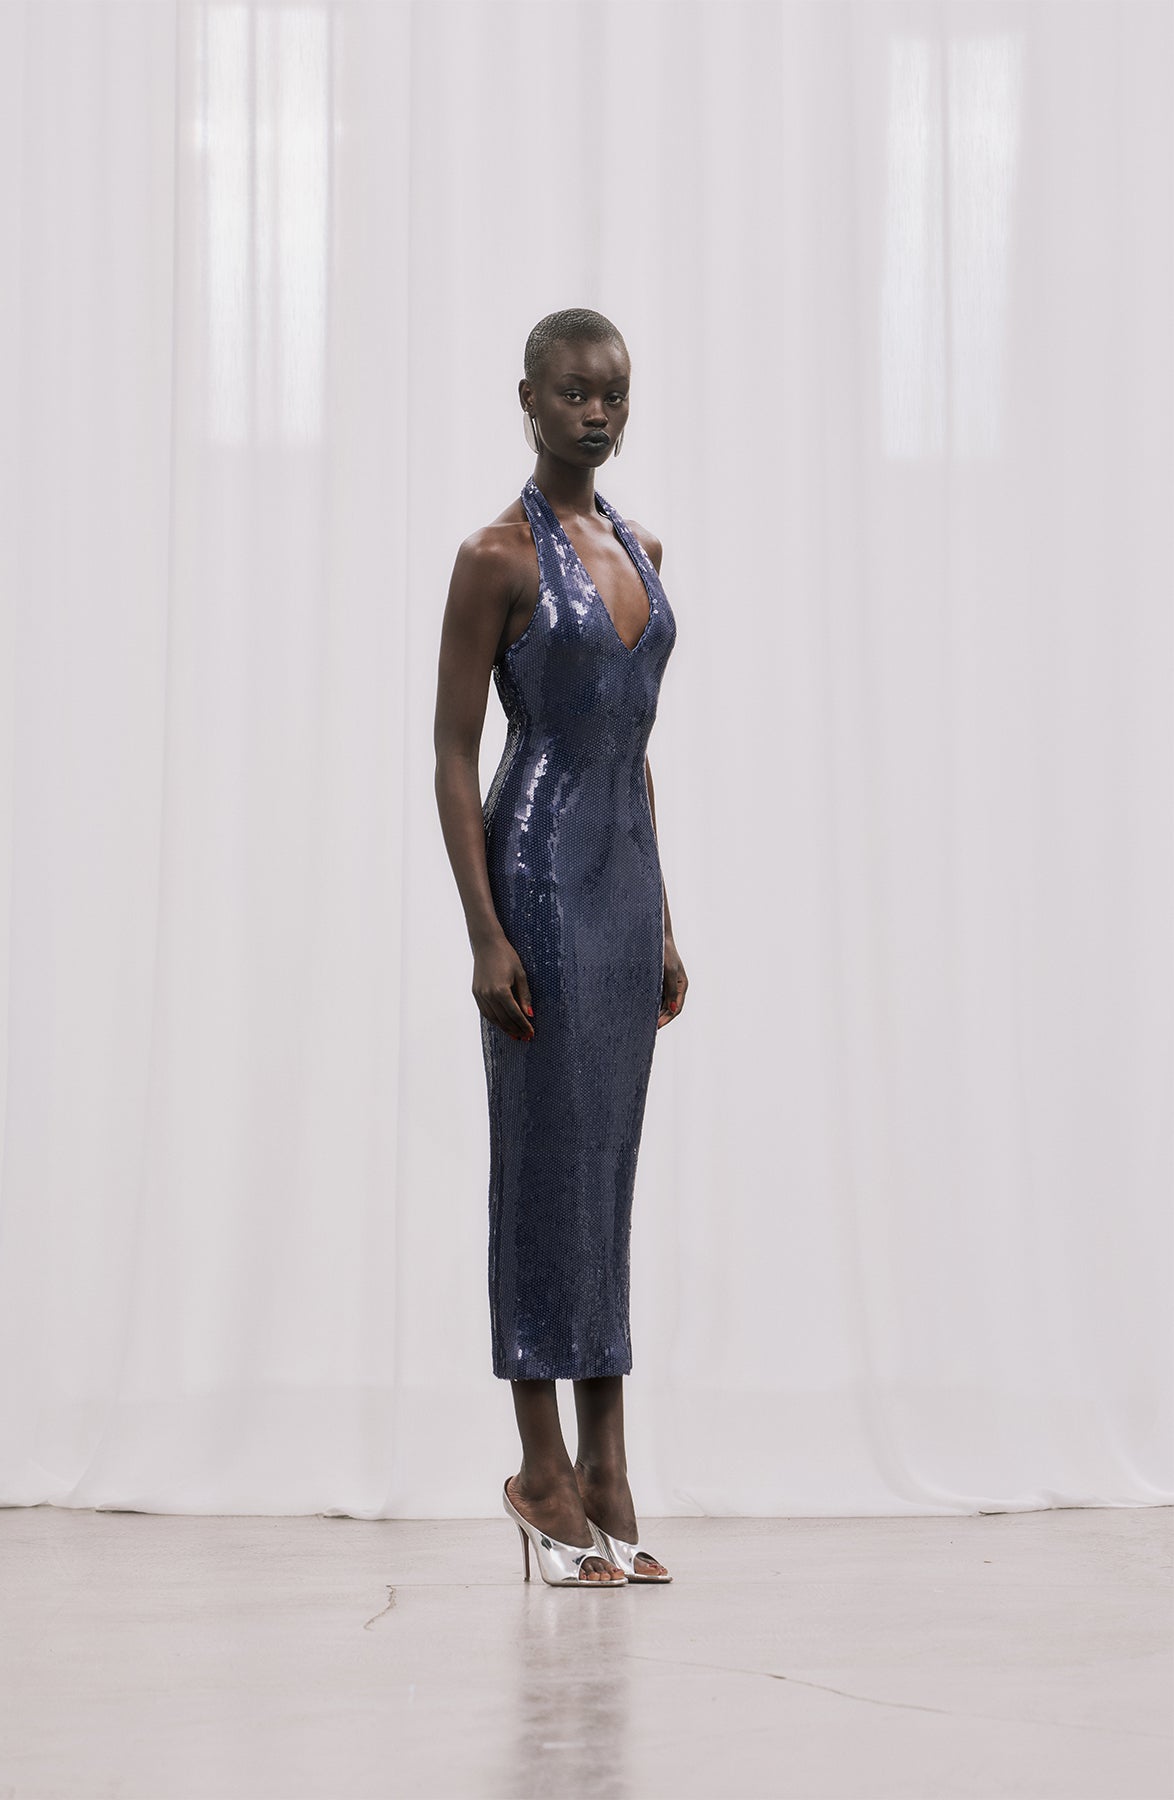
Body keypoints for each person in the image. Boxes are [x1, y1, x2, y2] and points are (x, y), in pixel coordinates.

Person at [433, 307, 688, 1586]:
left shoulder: (643, 548)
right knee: (540, 1170)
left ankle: (609, 1467)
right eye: (574, 393)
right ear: (528, 398)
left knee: (606, 1170)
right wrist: (484, 930)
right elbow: (451, 751)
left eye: (614, 395)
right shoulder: (494, 556)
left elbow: (631, 753)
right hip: (533, 878)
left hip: (622, 890)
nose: (597, 413)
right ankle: (541, 1467)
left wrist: (665, 918)